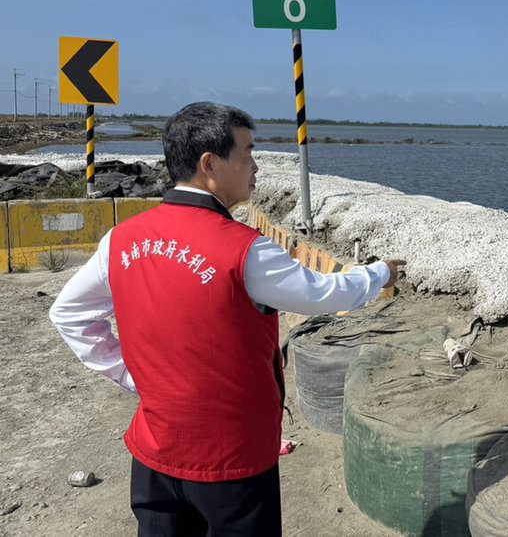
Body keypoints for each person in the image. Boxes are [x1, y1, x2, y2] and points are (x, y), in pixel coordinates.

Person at [49, 101, 405, 536]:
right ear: (209, 163)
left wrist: (131, 375)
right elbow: (323, 293)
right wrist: (379, 272)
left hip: (154, 450)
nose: (256, 166)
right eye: (248, 152)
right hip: (232, 459)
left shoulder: (121, 239)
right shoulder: (245, 250)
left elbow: (69, 313)